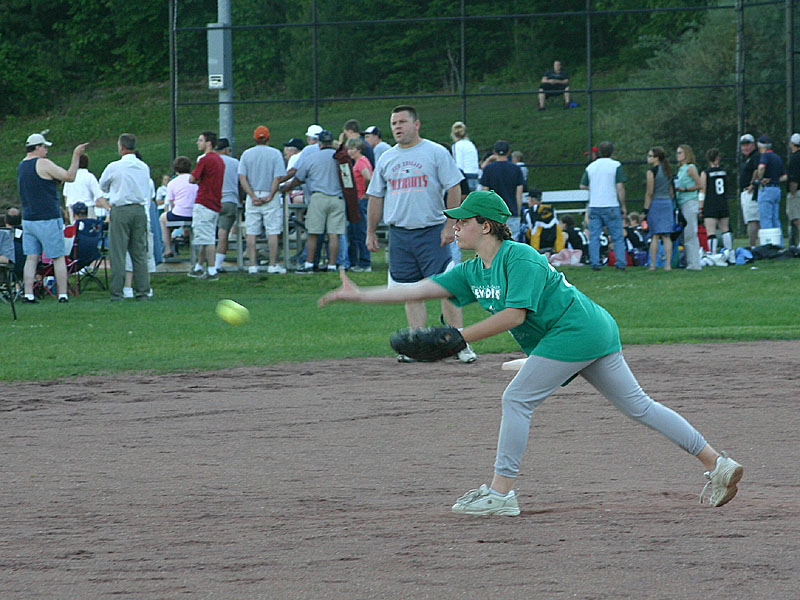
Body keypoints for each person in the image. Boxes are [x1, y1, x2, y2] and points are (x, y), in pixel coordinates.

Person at [319, 190, 743, 516]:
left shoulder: (517, 256)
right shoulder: (472, 269)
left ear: (485, 225)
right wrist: (359, 296)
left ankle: (500, 494)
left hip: (577, 331)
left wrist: (461, 336)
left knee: (516, 398)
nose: (454, 228)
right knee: (639, 406)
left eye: (461, 222)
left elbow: (515, 316)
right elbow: (419, 289)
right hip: (584, 333)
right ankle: (718, 463)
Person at [365, 104, 477, 364]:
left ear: (416, 124)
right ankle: (416, 344)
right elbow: (376, 196)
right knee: (409, 290)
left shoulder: (435, 152)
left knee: (446, 288)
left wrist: (450, 225)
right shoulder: (386, 158)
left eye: (402, 122)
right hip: (400, 234)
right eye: (394, 123)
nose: (397, 127)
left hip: (432, 231)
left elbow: (454, 187)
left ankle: (458, 342)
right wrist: (371, 231)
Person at [18, 131, 88, 304]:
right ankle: (63, 294)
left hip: (28, 218)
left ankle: (28, 294)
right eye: (44, 147)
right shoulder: (42, 163)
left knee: (31, 257)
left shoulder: (22, 165)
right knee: (57, 256)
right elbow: (69, 177)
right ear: (37, 147)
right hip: (47, 217)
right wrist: (76, 155)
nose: (46, 150)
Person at [97, 133, 150, 301]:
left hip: (120, 209)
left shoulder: (114, 166)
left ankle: (117, 292)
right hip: (139, 209)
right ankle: (143, 291)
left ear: (121, 147)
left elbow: (102, 185)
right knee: (139, 252)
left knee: (118, 252)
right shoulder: (143, 166)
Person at [283, 129, 345, 273]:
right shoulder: (340, 158)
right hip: (337, 198)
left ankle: (309, 264)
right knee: (334, 234)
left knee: (313, 233)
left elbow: (299, 178)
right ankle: (332, 265)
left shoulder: (312, 157)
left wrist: (286, 187)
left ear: (320, 143)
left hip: (318, 197)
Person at [238, 126, 287, 274]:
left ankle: (252, 265)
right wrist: (271, 195)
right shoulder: (275, 154)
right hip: (269, 194)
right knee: (273, 231)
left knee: (251, 231)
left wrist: (252, 195)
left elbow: (242, 178)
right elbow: (277, 177)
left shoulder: (247, 154)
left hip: (252, 195)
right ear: (268, 138)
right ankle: (272, 265)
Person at [579, 141, 627, 271]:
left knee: (594, 236)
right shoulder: (615, 165)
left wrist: (594, 188)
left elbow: (583, 185)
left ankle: (595, 263)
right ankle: (621, 263)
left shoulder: (591, 167)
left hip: (595, 205)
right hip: (611, 204)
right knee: (617, 236)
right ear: (612, 151)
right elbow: (620, 187)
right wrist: (623, 205)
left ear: (599, 151)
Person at [186, 131, 225, 280]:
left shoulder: (205, 160)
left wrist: (197, 179)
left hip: (204, 202)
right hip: (215, 202)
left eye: (200, 140)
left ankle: (212, 270)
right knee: (205, 236)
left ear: (208, 143)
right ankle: (198, 266)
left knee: (207, 239)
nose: (198, 143)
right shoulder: (219, 160)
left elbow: (192, 178)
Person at [479, 140, 524, 239]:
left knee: (495, 240)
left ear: (494, 152)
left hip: (494, 212)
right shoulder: (516, 169)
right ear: (509, 152)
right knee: (513, 241)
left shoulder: (489, 169)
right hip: (511, 210)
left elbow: (485, 191)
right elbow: (519, 193)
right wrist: (518, 211)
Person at [642, 147, 675, 271]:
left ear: (656, 158)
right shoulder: (668, 170)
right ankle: (668, 265)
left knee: (655, 235)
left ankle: (653, 265)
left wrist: (646, 209)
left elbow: (649, 192)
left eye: (650, 156)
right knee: (666, 236)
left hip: (656, 203)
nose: (648, 158)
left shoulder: (651, 172)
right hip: (667, 203)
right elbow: (671, 191)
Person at [212, 138, 241, 273]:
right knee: (223, 233)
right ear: (227, 150)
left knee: (208, 233)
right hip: (229, 199)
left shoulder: (209, 161)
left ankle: (205, 263)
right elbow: (240, 181)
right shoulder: (235, 163)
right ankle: (218, 264)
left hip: (212, 200)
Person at [159, 156, 197, 259]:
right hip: (195, 213)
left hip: (179, 213)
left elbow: (171, 203)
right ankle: (185, 234)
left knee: (163, 219)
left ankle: (167, 249)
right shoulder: (195, 181)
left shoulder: (172, 183)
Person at [345, 137, 373, 272]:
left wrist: (365, 193)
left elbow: (367, 177)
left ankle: (364, 262)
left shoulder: (360, 162)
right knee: (357, 231)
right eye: (349, 149)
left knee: (360, 231)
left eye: (352, 149)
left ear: (359, 149)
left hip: (360, 199)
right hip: (360, 199)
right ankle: (359, 261)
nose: (350, 152)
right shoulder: (362, 161)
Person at [700, 148, 733, 258]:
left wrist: (700, 206)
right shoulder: (723, 172)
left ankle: (713, 254)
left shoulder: (706, 173)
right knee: (725, 229)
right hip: (723, 202)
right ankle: (729, 252)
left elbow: (702, 190)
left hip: (711, 204)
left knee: (711, 231)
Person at [675, 144, 703, 270]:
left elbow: (700, 185)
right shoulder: (681, 169)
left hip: (690, 202)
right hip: (682, 203)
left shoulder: (691, 168)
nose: (678, 155)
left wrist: (685, 189)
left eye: (680, 152)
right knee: (686, 234)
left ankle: (694, 264)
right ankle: (690, 262)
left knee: (691, 233)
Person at [754, 135, 787, 239]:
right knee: (775, 218)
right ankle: (779, 243)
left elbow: (761, 167)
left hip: (766, 190)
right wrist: (774, 180)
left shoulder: (765, 156)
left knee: (766, 219)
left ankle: (769, 244)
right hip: (776, 189)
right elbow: (784, 177)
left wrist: (760, 179)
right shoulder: (777, 157)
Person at [62, 154, 106, 223]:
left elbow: (66, 196)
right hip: (88, 208)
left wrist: (67, 210)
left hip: (73, 210)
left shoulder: (70, 178)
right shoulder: (89, 177)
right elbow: (98, 195)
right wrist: (108, 208)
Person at [739, 134, 761, 247]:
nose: (745, 147)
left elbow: (758, 170)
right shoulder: (746, 158)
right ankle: (754, 244)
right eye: (743, 145)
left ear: (753, 144)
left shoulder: (755, 156)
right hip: (745, 191)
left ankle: (753, 245)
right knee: (751, 219)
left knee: (753, 219)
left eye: (747, 144)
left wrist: (752, 184)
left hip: (751, 192)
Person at [450, 121, 481, 191]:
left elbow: (458, 165)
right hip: (475, 175)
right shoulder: (471, 144)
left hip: (465, 177)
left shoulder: (456, 146)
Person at [787, 133, 800, 246]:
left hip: (797, 192)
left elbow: (794, 178)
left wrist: (792, 192)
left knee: (797, 218)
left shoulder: (795, 158)